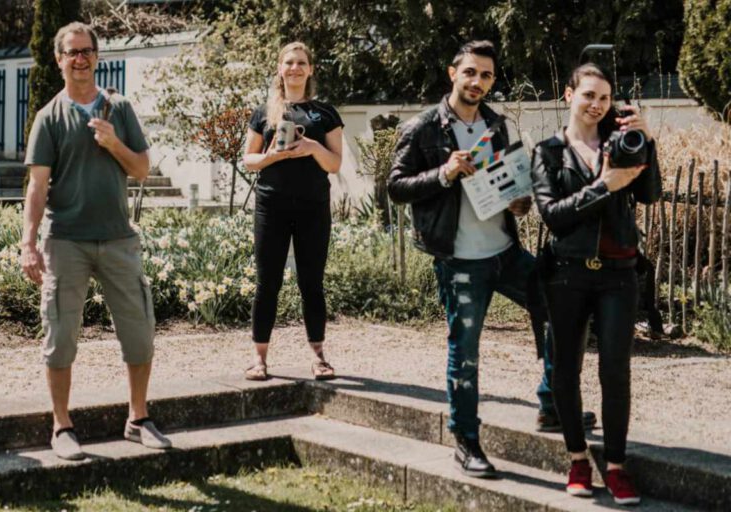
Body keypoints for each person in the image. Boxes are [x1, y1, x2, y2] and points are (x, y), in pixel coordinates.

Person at [387, 40, 594, 478]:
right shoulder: (424, 128)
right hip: (460, 259)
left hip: (504, 251)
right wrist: (445, 172)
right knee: (466, 353)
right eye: (470, 73)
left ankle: (552, 404)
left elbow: (505, 184)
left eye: (485, 75)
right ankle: (466, 441)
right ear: (452, 73)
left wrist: (516, 203)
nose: (477, 82)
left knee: (561, 311)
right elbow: (397, 186)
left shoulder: (497, 125)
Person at [20, 22, 170, 461]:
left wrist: (113, 143)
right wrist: (28, 243)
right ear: (59, 60)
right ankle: (62, 426)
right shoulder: (49, 117)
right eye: (72, 52)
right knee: (61, 335)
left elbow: (141, 169)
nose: (80, 58)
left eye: (87, 51)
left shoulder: (118, 108)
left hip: (118, 239)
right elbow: (36, 187)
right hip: (66, 241)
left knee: (139, 333)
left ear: (96, 57)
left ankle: (138, 418)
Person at [530, 63, 661, 505]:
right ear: (568, 95)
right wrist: (605, 185)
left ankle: (617, 466)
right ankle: (578, 459)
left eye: (604, 97)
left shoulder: (620, 144)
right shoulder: (548, 152)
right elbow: (554, 217)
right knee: (565, 370)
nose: (596, 104)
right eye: (588, 95)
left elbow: (648, 194)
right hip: (567, 273)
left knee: (615, 371)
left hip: (618, 275)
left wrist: (649, 143)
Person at [242, 42, 344, 381]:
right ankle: (260, 360)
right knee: (266, 283)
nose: (295, 68)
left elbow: (334, 163)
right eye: (289, 62)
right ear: (280, 69)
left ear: (310, 69)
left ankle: (319, 357)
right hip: (271, 205)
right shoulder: (264, 112)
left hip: (313, 207)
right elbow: (249, 160)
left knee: (311, 283)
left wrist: (312, 146)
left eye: (301, 62)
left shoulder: (325, 113)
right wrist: (274, 156)